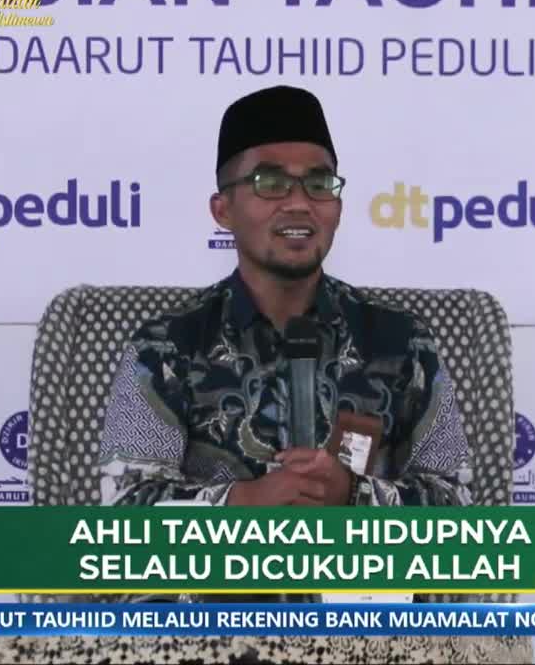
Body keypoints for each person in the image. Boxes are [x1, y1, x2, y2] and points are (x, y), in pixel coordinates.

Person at [99, 82, 473, 521]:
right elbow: (123, 520)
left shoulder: (401, 342)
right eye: (270, 182)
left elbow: (460, 512)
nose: (299, 203)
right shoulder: (167, 347)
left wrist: (352, 494)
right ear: (222, 211)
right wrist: (245, 502)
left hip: (358, 583)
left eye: (318, 183)